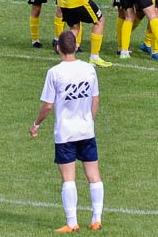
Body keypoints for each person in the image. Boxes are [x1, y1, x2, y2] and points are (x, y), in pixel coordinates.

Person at [30, 30, 105, 233]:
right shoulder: (89, 69)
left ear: (58, 48)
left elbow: (47, 106)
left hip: (65, 133)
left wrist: (36, 124)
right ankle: (96, 219)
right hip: (86, 130)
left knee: (68, 178)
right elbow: (95, 100)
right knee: (93, 174)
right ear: (76, 47)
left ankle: (72, 222)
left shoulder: (55, 73)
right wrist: (88, 120)